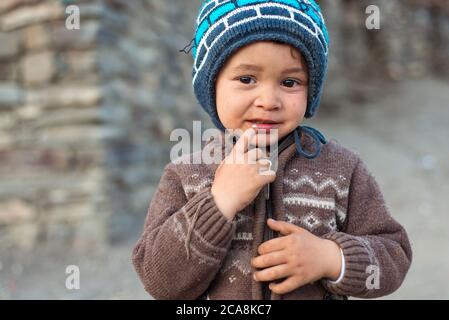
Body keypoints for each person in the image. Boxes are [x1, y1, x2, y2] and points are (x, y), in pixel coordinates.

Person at [132, 0, 412, 300]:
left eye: (289, 82)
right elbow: (159, 281)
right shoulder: (185, 174)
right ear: (212, 86)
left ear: (311, 89)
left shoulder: (342, 170)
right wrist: (219, 201)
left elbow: (393, 253)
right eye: (246, 79)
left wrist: (331, 258)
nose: (268, 100)